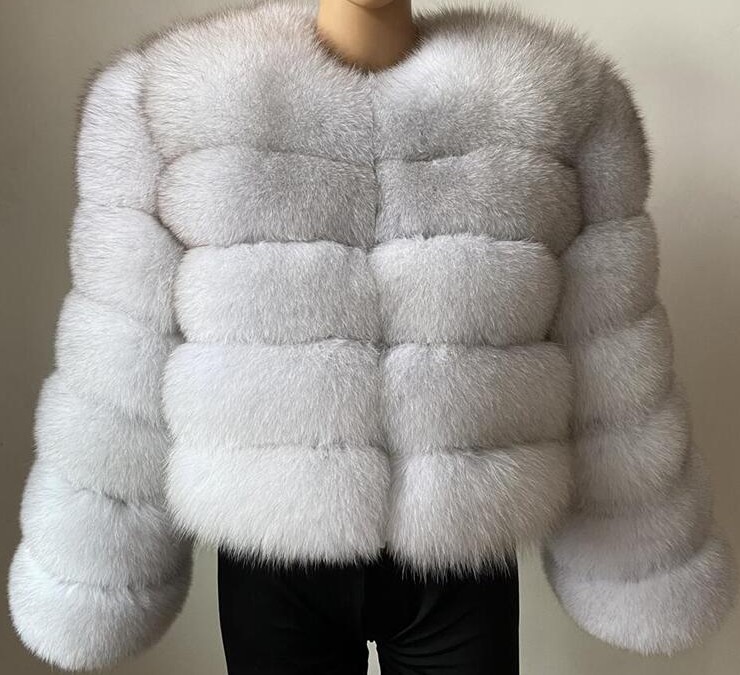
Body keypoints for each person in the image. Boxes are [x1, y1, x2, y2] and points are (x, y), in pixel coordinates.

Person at [8, 0, 736, 673]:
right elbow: (119, 358)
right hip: (274, 556)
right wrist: (95, 559)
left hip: (462, 559)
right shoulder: (172, 104)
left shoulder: (557, 107)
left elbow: (611, 350)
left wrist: (642, 537)